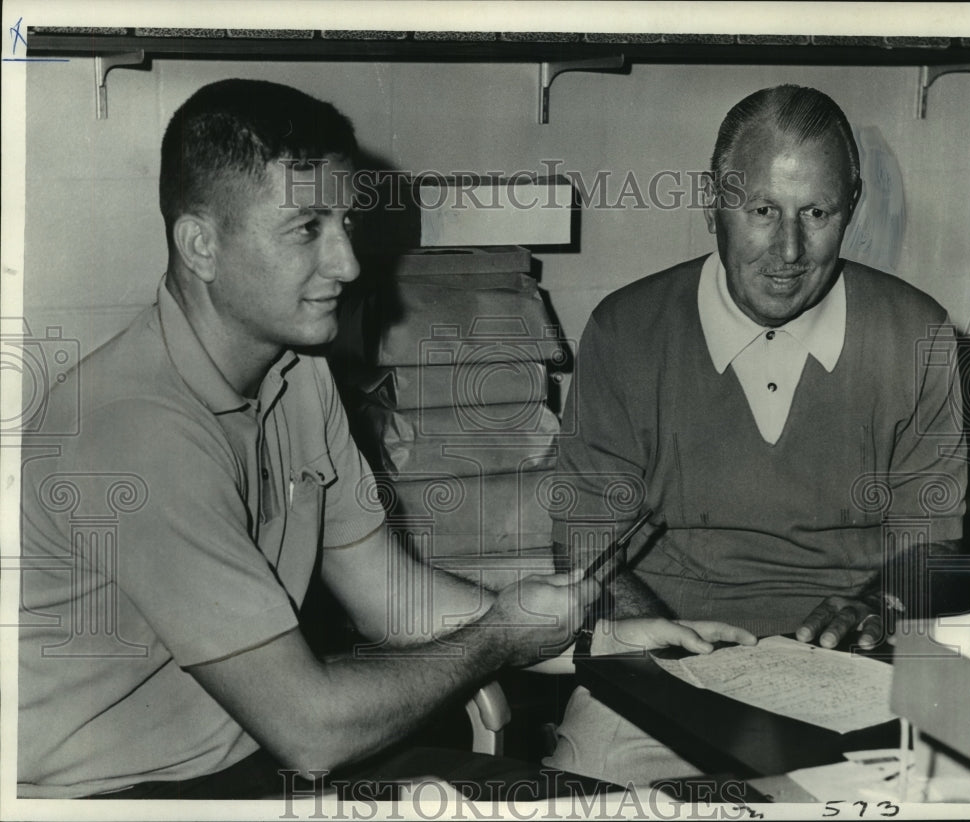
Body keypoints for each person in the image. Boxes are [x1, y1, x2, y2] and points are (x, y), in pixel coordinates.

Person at [17, 78, 753, 800]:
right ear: (201, 244)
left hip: (258, 766)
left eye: (344, 224)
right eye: (307, 229)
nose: (347, 263)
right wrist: (499, 636)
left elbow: (386, 597)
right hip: (125, 795)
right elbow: (311, 732)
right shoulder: (140, 426)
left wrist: (597, 639)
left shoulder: (296, 367)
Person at [543, 84, 968, 787]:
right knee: (586, 790)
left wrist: (877, 605)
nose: (790, 250)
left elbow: (930, 541)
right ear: (715, 199)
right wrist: (679, 660)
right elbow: (586, 537)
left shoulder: (919, 334)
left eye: (818, 213)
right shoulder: (627, 329)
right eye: (763, 211)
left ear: (852, 207)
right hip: (664, 676)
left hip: (860, 679)